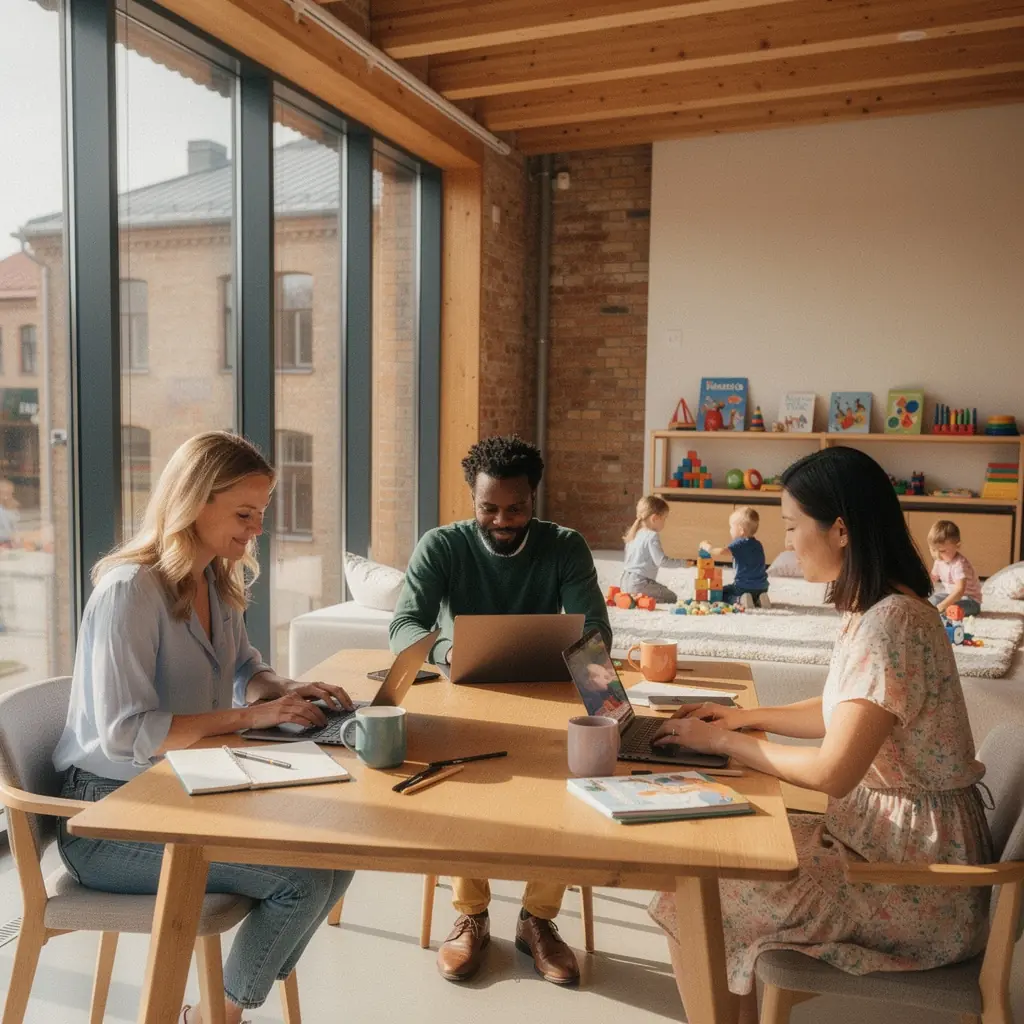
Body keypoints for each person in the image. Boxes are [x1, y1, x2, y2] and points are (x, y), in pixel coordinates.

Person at [648, 446, 993, 1024]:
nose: (786, 544)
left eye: (791, 527)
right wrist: (744, 720)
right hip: (888, 844)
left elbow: (835, 770)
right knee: (718, 856)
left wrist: (725, 744)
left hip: (920, 882)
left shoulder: (892, 623)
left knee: (695, 891)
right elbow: (846, 709)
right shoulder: (878, 609)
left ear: (839, 529)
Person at [52, 432, 355, 1024]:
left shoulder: (217, 580)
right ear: (194, 501)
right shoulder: (128, 592)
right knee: (302, 878)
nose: (256, 529)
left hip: (185, 792)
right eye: (245, 514)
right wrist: (250, 717)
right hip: (108, 820)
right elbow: (124, 732)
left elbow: (245, 669)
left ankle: (221, 1005)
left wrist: (286, 689)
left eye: (261, 515)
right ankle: (215, 1017)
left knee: (337, 854)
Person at [390, 434, 611, 986]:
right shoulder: (441, 546)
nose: (502, 519)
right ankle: (471, 914)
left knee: (577, 773)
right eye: (489, 508)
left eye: (515, 508)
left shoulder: (565, 546)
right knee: (463, 780)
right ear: (473, 499)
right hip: (462, 692)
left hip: (547, 689)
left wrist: (603, 698)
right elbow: (403, 628)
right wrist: (450, 650)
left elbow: (595, 633)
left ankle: (537, 921)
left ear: (533, 500)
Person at [701, 505, 770, 608]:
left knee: (722, 592)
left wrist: (709, 548)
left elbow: (722, 552)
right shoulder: (758, 544)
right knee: (753, 593)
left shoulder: (739, 543)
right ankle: (760, 598)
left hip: (743, 587)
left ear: (741, 530)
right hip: (763, 586)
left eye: (731, 527)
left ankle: (739, 600)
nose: (730, 530)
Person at [620, 494, 683, 603]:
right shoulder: (652, 535)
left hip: (624, 582)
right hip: (639, 583)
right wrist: (683, 563)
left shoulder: (634, 533)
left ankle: (629, 597)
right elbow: (661, 561)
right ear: (654, 518)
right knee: (671, 597)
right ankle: (639, 599)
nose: (665, 522)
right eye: (664, 518)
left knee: (656, 590)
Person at [927, 519, 983, 617]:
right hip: (950, 596)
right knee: (932, 601)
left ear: (958, 546)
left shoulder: (960, 564)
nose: (937, 555)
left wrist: (943, 605)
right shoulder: (939, 561)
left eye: (943, 551)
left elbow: (959, 590)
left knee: (949, 609)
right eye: (933, 550)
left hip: (969, 601)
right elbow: (932, 579)